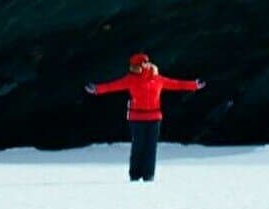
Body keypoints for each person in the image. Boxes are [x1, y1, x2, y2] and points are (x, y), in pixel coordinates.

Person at [85, 53, 205, 182]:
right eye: (133, 66)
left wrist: (194, 85)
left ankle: (149, 175)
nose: (134, 69)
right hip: (136, 119)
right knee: (138, 147)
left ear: (145, 64)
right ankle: (134, 175)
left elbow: (177, 84)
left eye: (137, 66)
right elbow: (112, 86)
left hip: (154, 118)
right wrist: (96, 89)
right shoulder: (130, 79)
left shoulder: (157, 79)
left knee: (151, 148)